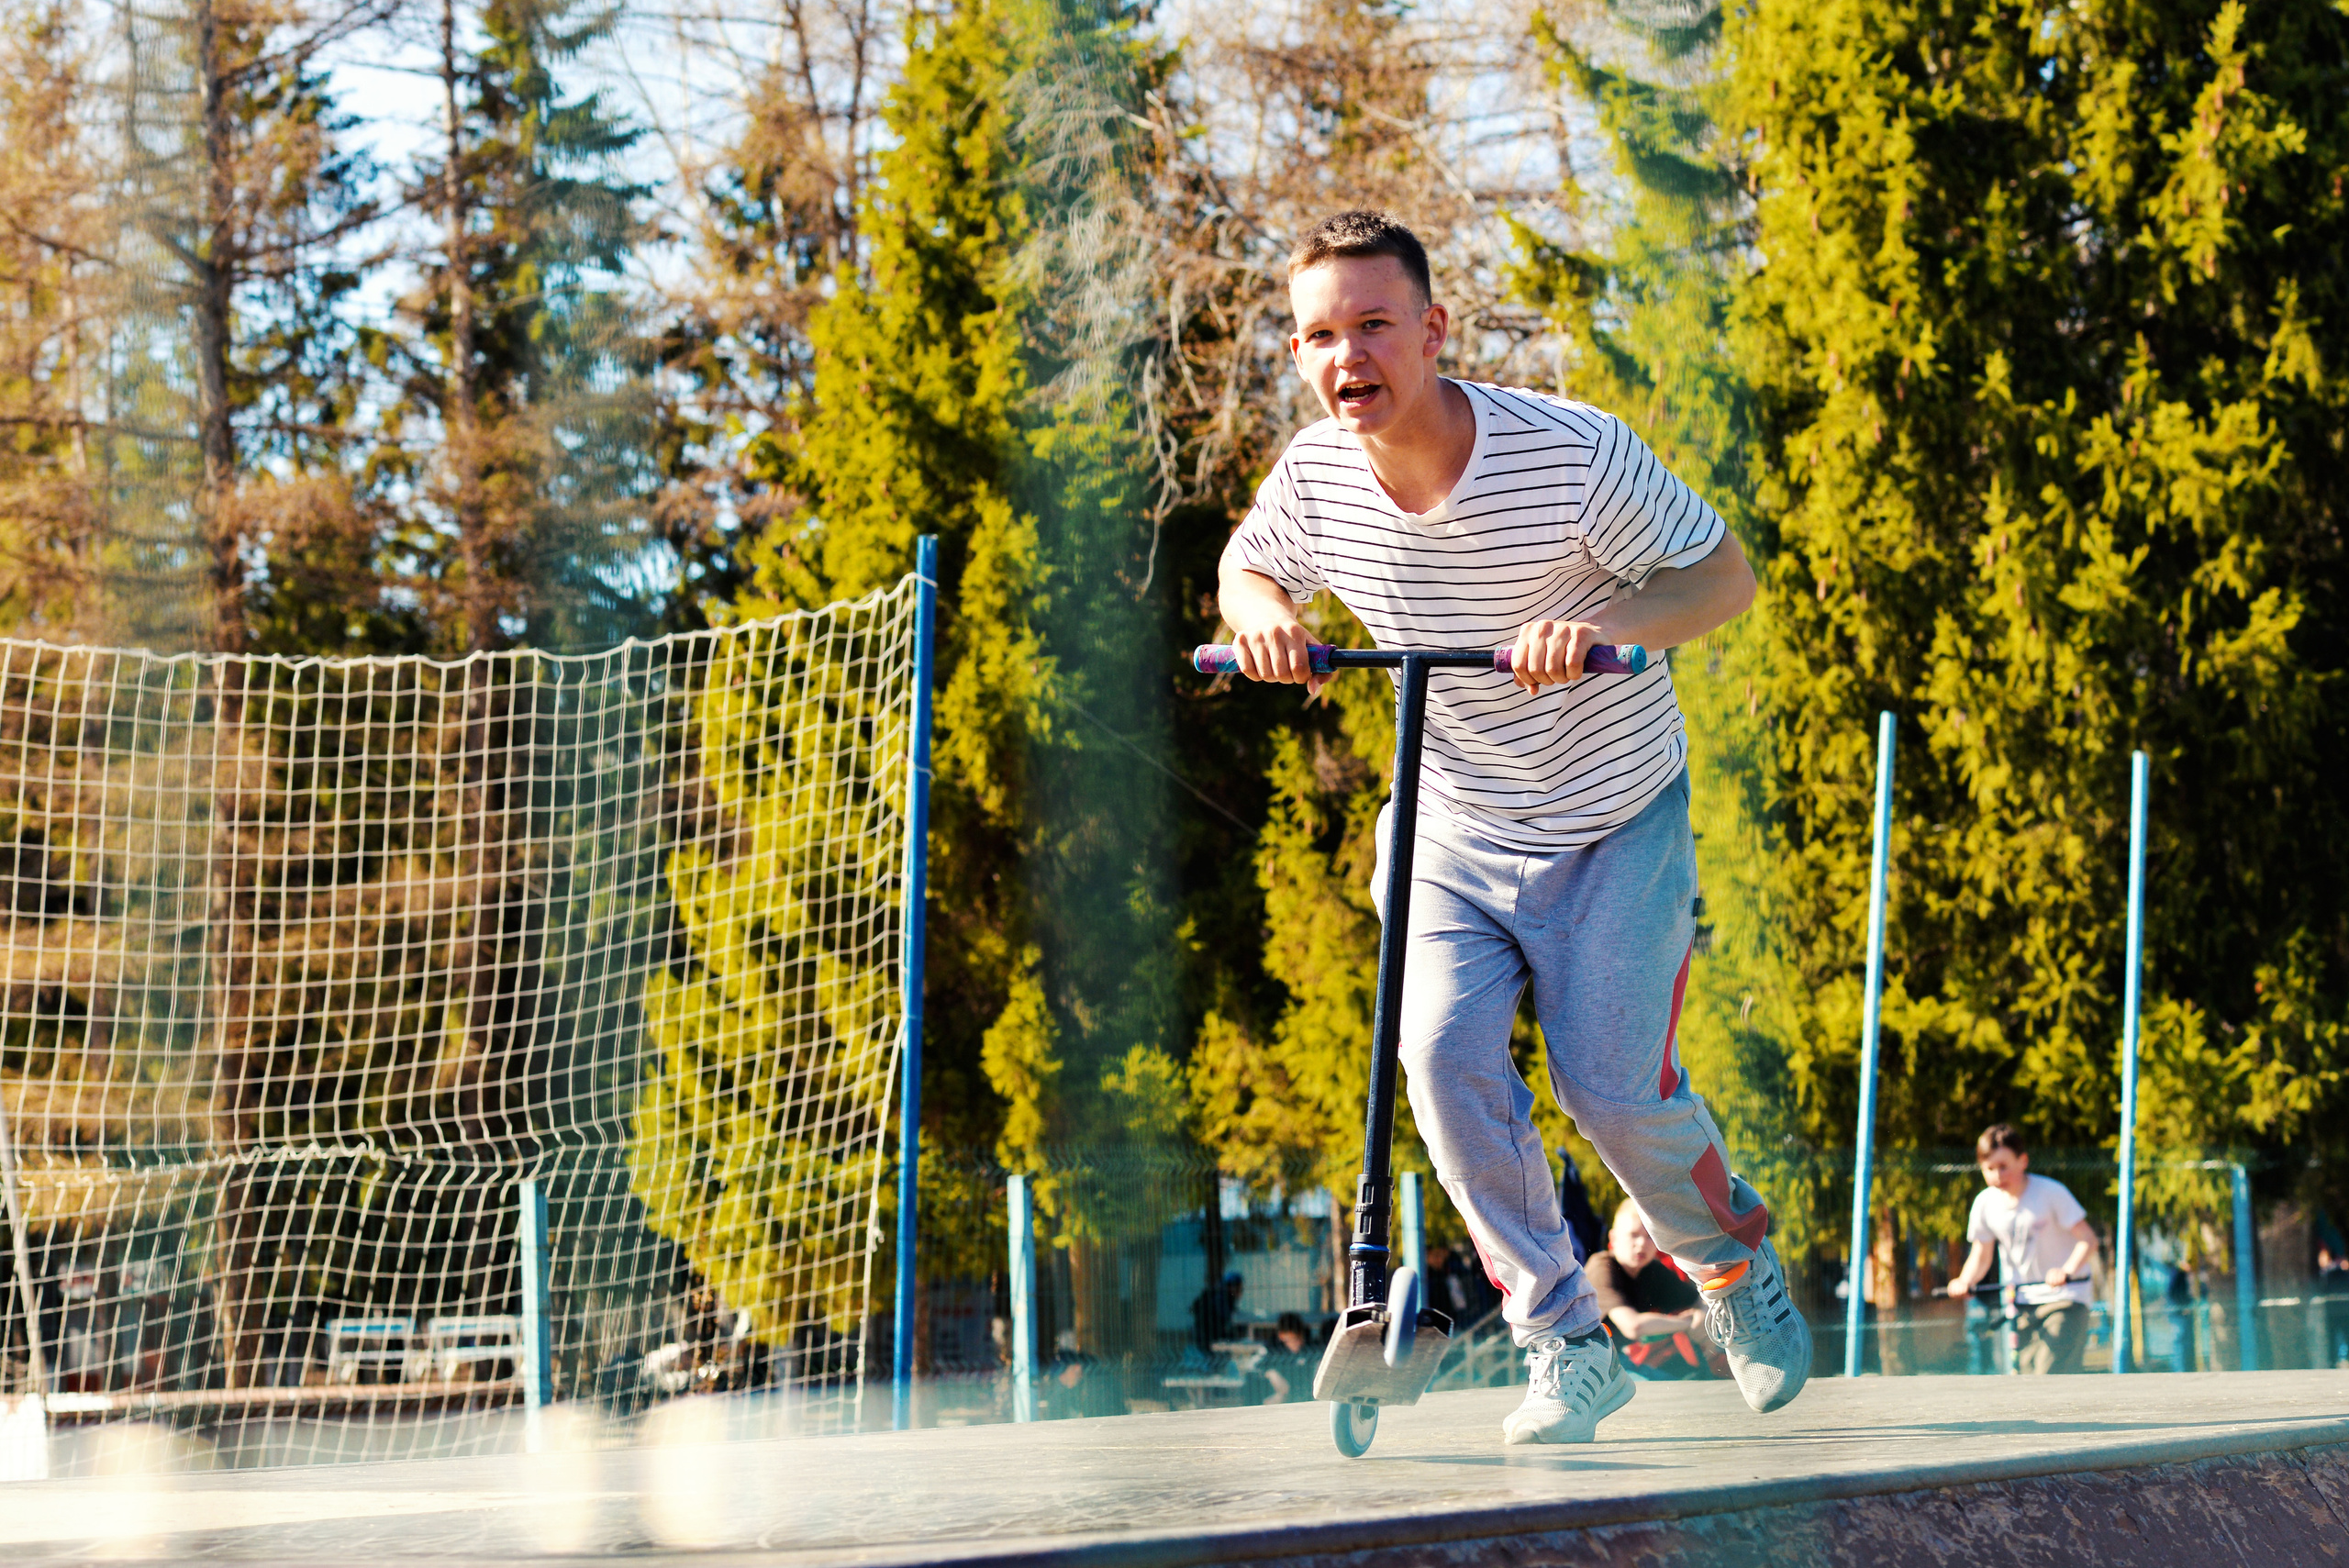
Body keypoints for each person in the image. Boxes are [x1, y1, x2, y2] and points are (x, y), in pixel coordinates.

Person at [1218, 209, 1805, 1448]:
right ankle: (1562, 1338)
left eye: (1375, 325)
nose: (1349, 357)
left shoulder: (1573, 453)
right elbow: (1247, 566)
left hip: (1613, 814)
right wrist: (1265, 611)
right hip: (1450, 825)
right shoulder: (1316, 477)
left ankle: (1734, 1272)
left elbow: (1722, 578)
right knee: (1442, 1062)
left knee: (1609, 1085)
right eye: (1321, 335)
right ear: (1297, 352)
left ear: (1433, 330)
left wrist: (1612, 634)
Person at [1945, 1124, 2099, 1374]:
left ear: (2023, 1161)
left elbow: (2088, 1240)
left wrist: (2065, 1271)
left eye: (2004, 1166)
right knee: (2029, 1381)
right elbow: (1981, 1255)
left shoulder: (2050, 1193)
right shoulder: (1985, 1204)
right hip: (2022, 1303)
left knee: (2050, 1372)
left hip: (2065, 1300)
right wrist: (1964, 1280)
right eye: (1989, 1169)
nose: (1997, 1175)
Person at [1586, 1200, 1720, 1380]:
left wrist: (1702, 1315)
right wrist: (1688, 1323)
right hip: (1582, 1366)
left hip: (1614, 1361)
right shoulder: (1601, 1267)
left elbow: (1699, 1299)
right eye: (1633, 1235)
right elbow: (1633, 1326)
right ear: (1614, 1238)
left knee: (1680, 1384)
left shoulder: (1652, 1270)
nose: (1641, 1244)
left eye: (1650, 1236)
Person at [1254, 1312, 1317, 1405]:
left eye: (1300, 1338)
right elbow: (1256, 1365)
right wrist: (1271, 1373)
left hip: (1306, 1392)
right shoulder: (1272, 1349)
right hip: (1283, 1392)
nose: (1298, 1343)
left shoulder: (1310, 1347)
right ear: (1281, 1336)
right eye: (1294, 1339)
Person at [1190, 1271, 1243, 1356]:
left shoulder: (1224, 1297)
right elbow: (1227, 1318)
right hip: (1209, 1337)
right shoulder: (1221, 1298)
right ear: (1232, 1287)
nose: (1241, 1292)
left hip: (1208, 1335)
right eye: (1240, 1288)